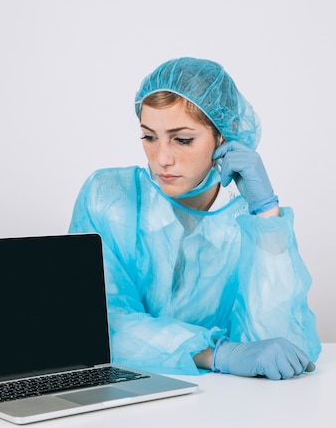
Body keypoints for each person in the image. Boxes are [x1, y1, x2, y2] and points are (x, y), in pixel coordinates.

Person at [69, 57, 321, 380]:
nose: (162, 158)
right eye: (149, 137)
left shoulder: (245, 225)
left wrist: (266, 213)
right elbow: (101, 324)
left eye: (182, 139)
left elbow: (285, 348)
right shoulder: (109, 199)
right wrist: (216, 354)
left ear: (222, 137)